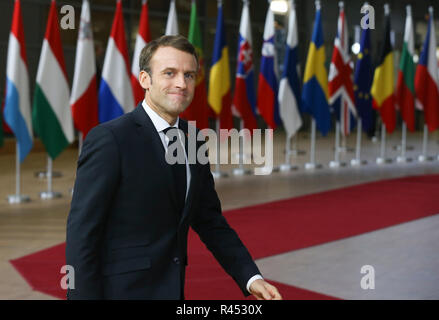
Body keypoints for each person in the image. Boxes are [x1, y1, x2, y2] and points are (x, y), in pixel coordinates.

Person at [66, 35, 282, 300]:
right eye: (170, 73)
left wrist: (250, 277)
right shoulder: (110, 140)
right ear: (145, 79)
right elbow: (82, 233)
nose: (181, 83)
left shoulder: (194, 140)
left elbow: (209, 219)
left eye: (189, 75)